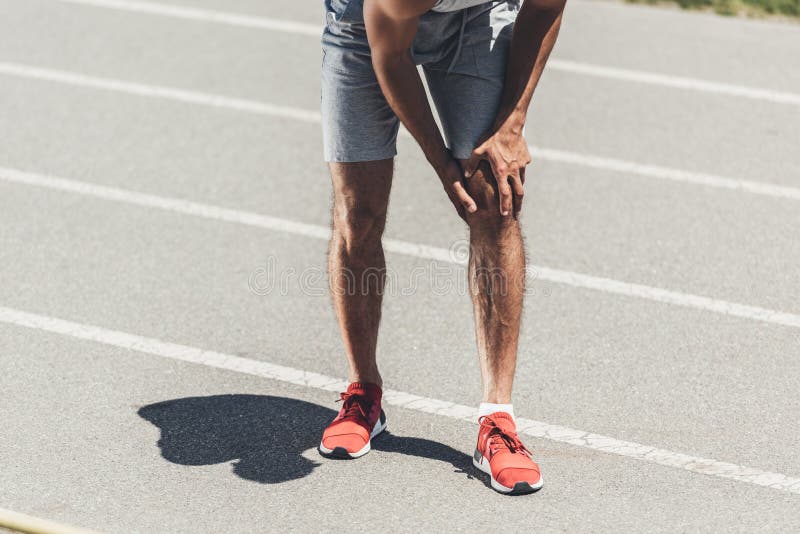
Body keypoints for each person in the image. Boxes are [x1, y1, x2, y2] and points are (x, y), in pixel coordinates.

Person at [317, 0, 566, 495]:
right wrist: (442, 164)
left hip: (477, 20)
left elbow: (545, 7)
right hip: (367, 26)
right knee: (358, 211)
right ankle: (363, 393)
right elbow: (390, 55)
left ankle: (498, 419)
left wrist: (512, 125)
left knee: (494, 197)